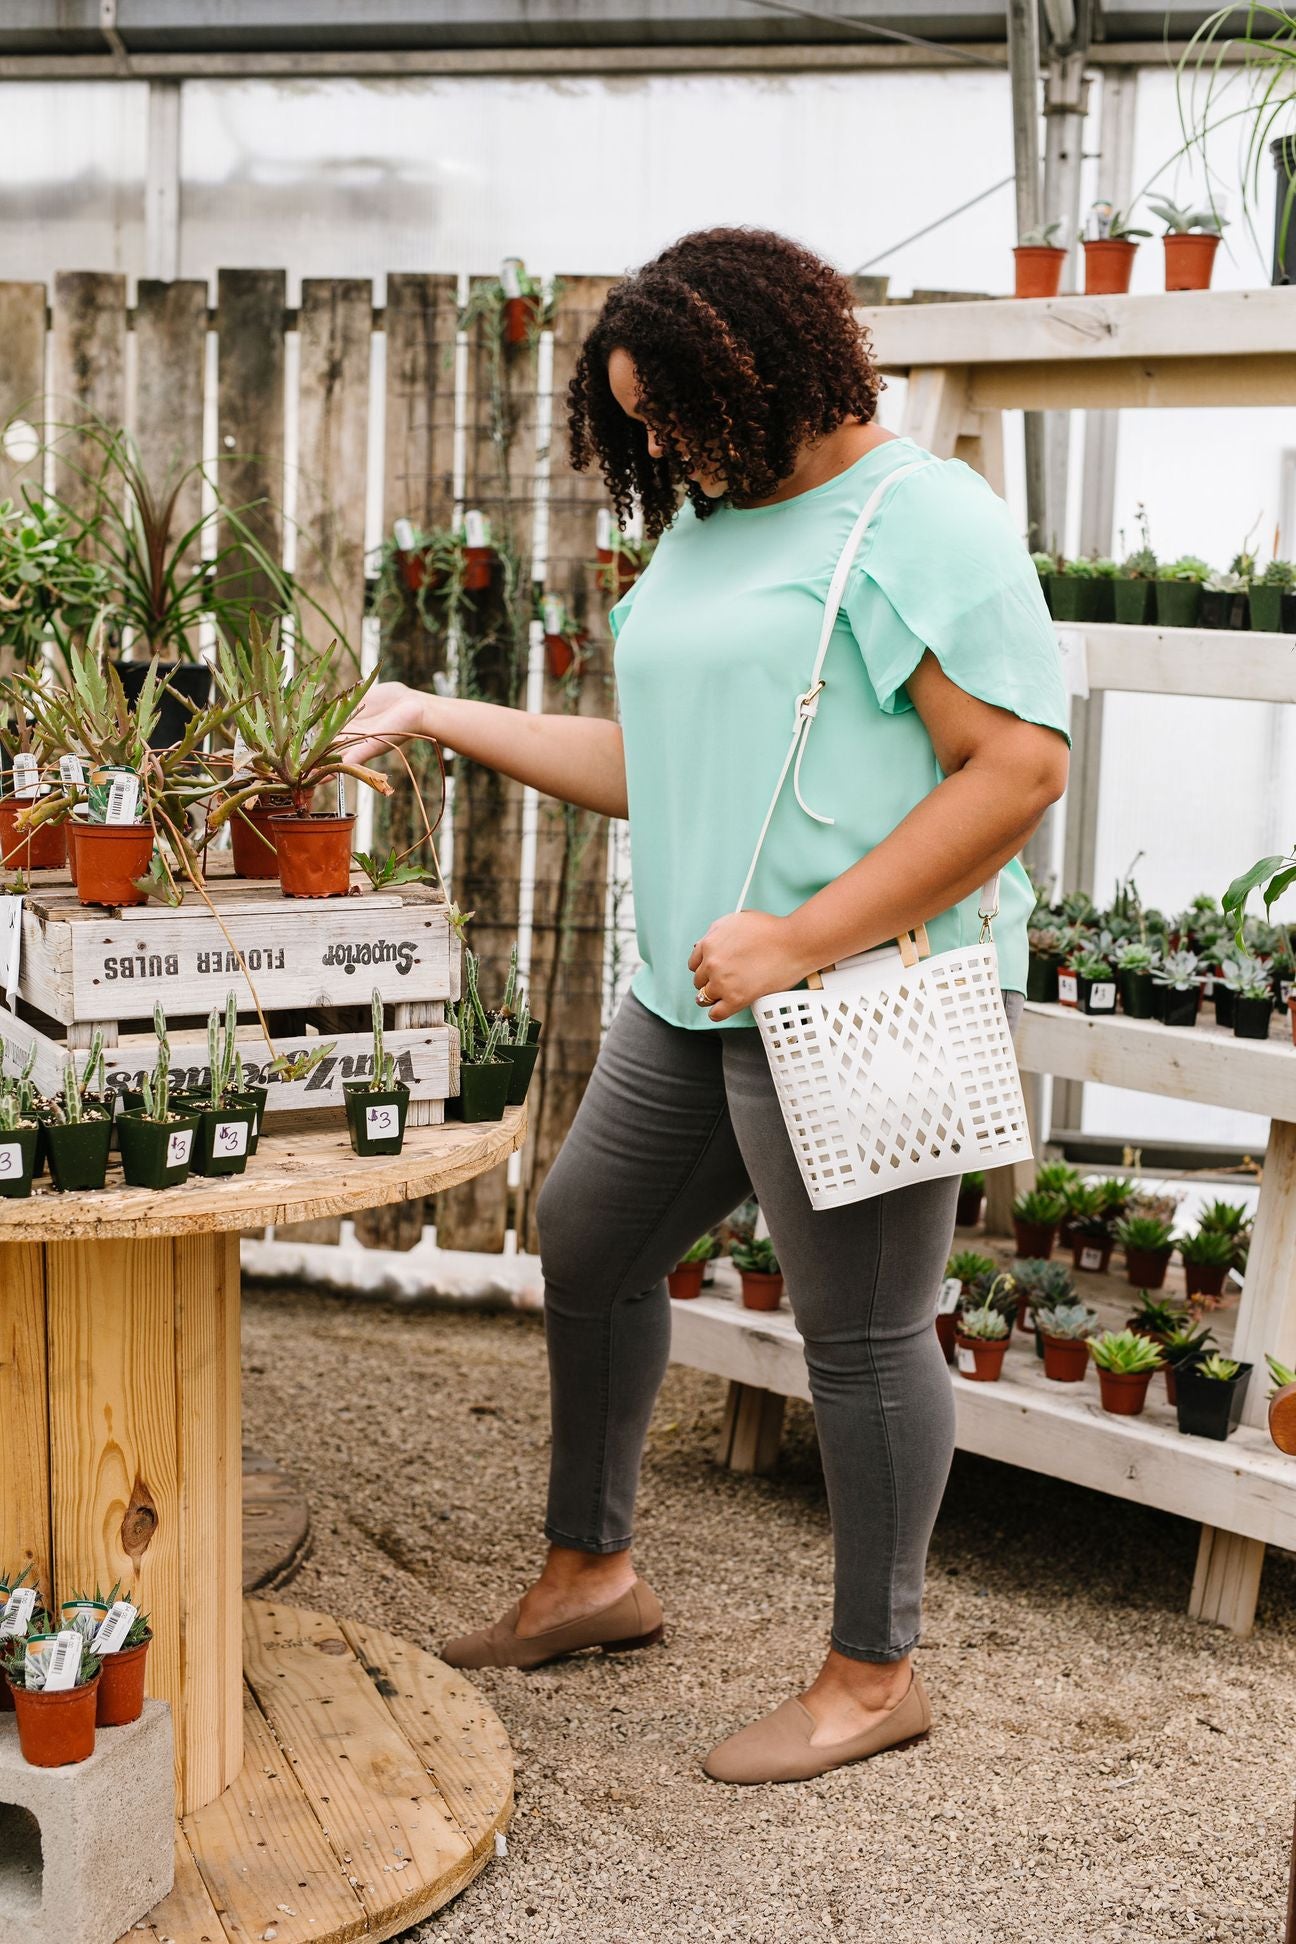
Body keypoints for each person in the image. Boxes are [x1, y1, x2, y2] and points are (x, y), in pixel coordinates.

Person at [347, 226, 1070, 1785]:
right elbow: (658, 769)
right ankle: (593, 1574)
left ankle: (876, 1676)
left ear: (771, 365)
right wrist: (433, 711)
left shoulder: (919, 516)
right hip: (697, 998)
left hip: (856, 998)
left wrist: (804, 938)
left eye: (675, 409)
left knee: (864, 1338)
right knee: (591, 1237)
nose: (661, 445)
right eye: (639, 422)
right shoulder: (708, 522)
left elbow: (1016, 771)